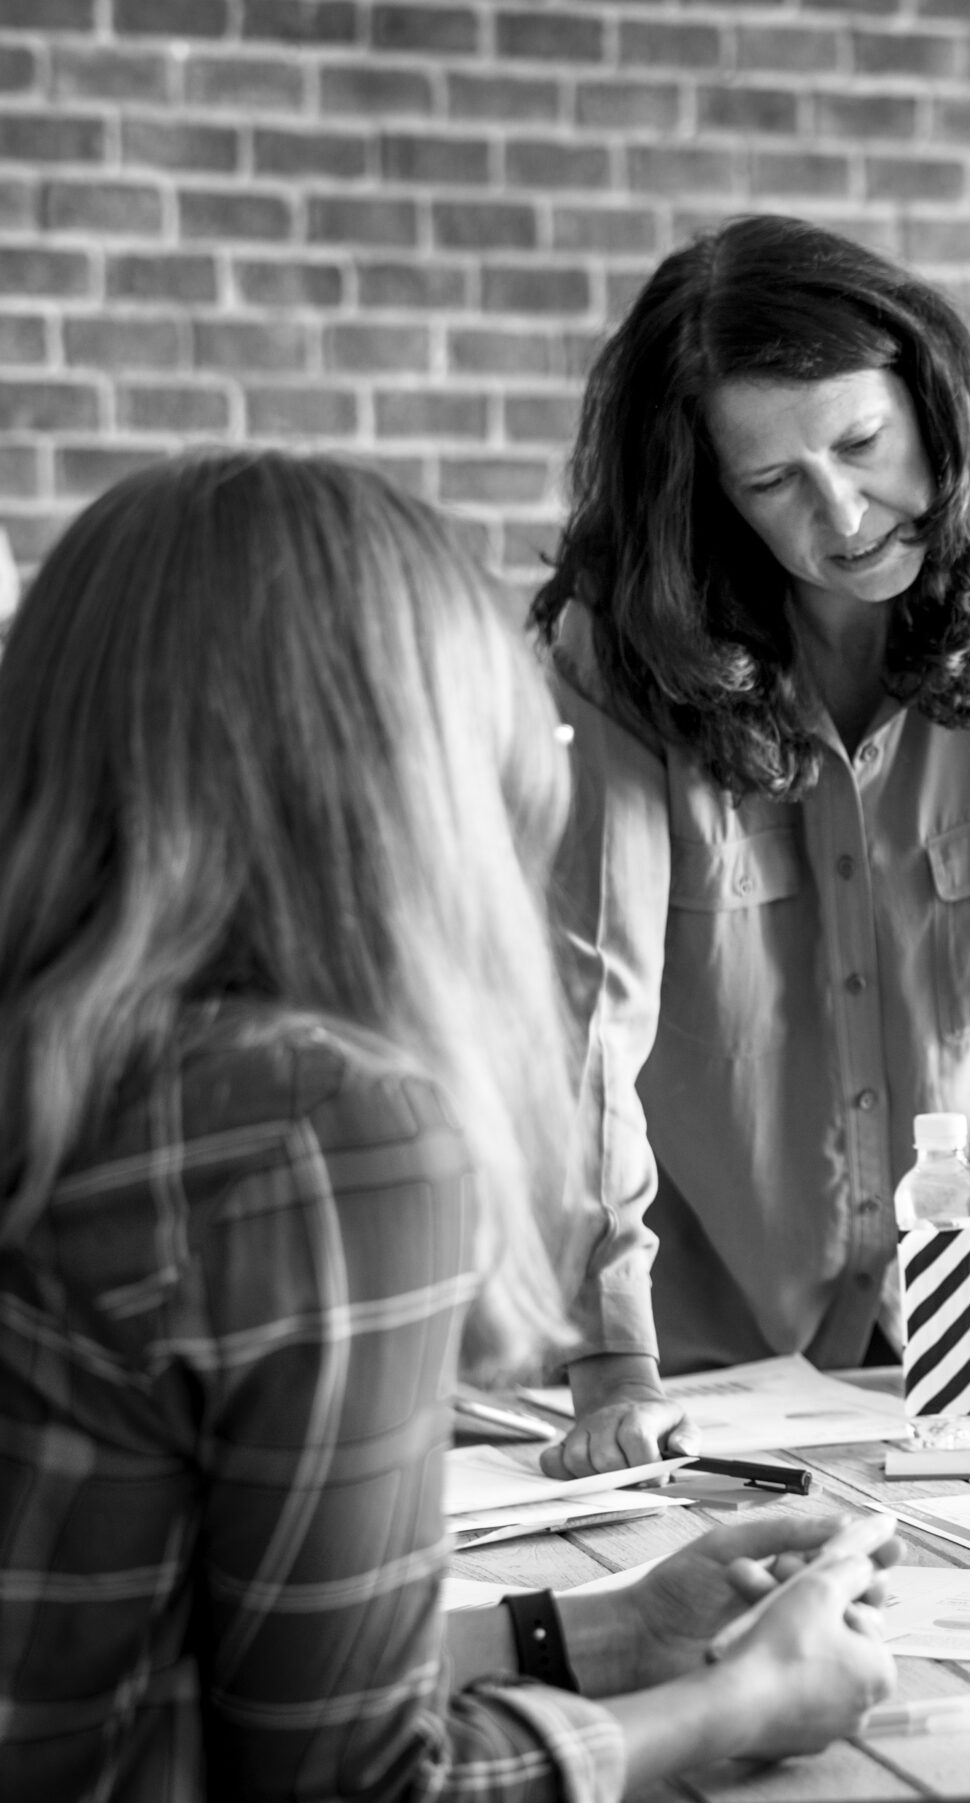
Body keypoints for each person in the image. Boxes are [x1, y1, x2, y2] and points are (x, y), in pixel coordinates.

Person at [0, 452, 901, 1796]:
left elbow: (172, 1652)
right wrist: (736, 1702)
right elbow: (351, 1784)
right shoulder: (308, 1123)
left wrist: (605, 1626)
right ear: (399, 773)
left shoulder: (73, 1067)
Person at [532, 216, 970, 1475]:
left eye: (862, 444)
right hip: (690, 1364)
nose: (844, 512)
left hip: (937, 1345)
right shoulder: (626, 654)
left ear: (931, 395)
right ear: (708, 496)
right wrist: (612, 1364)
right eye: (772, 484)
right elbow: (588, 1015)